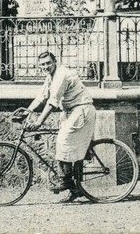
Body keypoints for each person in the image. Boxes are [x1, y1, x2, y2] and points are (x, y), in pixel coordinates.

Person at [24, 51, 96, 201]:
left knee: (64, 141)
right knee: (66, 147)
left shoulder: (61, 75)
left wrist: (39, 122)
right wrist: (27, 111)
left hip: (81, 108)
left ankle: (65, 180)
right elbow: (42, 96)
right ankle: (75, 189)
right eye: (42, 64)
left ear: (55, 61)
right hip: (71, 110)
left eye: (48, 63)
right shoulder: (51, 76)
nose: (46, 66)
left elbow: (52, 101)